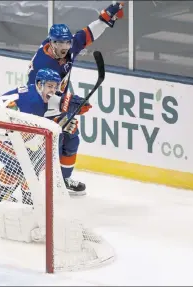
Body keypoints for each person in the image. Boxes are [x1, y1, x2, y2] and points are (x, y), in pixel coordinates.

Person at [26, 2, 125, 195]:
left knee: (72, 137)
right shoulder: (43, 65)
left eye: (67, 43)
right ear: (52, 42)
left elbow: (87, 34)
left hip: (58, 102)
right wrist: (69, 103)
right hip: (42, 107)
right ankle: (34, 184)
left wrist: (105, 19)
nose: (65, 47)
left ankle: (63, 180)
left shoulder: (67, 47)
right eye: (61, 44)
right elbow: (41, 95)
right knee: (51, 142)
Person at [0, 68, 81, 210]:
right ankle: (12, 200)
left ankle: (10, 198)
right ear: (39, 85)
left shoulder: (38, 95)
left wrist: (66, 119)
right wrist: (60, 125)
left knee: (31, 162)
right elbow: (26, 134)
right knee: (26, 163)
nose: (53, 90)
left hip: (6, 132)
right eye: (49, 86)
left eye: (55, 86)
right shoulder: (32, 102)